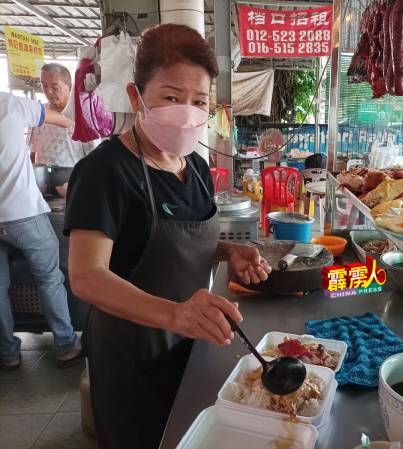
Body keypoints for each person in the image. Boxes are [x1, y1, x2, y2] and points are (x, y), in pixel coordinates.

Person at [64, 24, 272, 449]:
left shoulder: (194, 166)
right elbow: (86, 276)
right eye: (172, 97)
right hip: (132, 358)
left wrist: (227, 251)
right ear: (136, 96)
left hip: (190, 347)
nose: (188, 111)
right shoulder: (105, 172)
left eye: (199, 101)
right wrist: (175, 314)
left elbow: (180, 246)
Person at [0, 92, 82, 370]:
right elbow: (57, 119)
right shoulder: (11, 104)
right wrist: (81, 125)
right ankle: (66, 345)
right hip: (22, 213)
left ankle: (8, 353)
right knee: (49, 278)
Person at [30, 63, 97, 167]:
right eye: (44, 86)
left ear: (69, 87)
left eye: (55, 87)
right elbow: (33, 151)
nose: (48, 91)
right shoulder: (39, 113)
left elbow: (94, 156)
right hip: (42, 178)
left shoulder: (84, 116)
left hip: (71, 179)